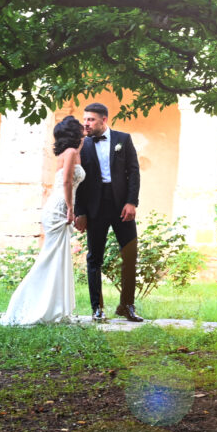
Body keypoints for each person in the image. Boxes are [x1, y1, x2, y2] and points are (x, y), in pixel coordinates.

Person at [1, 116, 85, 325]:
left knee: (57, 258)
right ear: (76, 134)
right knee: (50, 258)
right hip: (59, 208)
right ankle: (23, 304)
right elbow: (66, 181)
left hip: (58, 206)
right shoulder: (72, 153)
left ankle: (54, 308)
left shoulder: (68, 153)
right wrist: (71, 209)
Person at [74, 102, 143, 323]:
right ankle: (97, 308)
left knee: (130, 255)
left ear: (104, 120)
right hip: (95, 207)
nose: (86, 123)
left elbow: (134, 172)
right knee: (95, 257)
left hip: (122, 205)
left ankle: (127, 305)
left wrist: (132, 202)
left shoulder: (123, 139)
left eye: (91, 119)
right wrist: (80, 212)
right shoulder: (81, 145)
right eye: (85, 119)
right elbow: (78, 182)